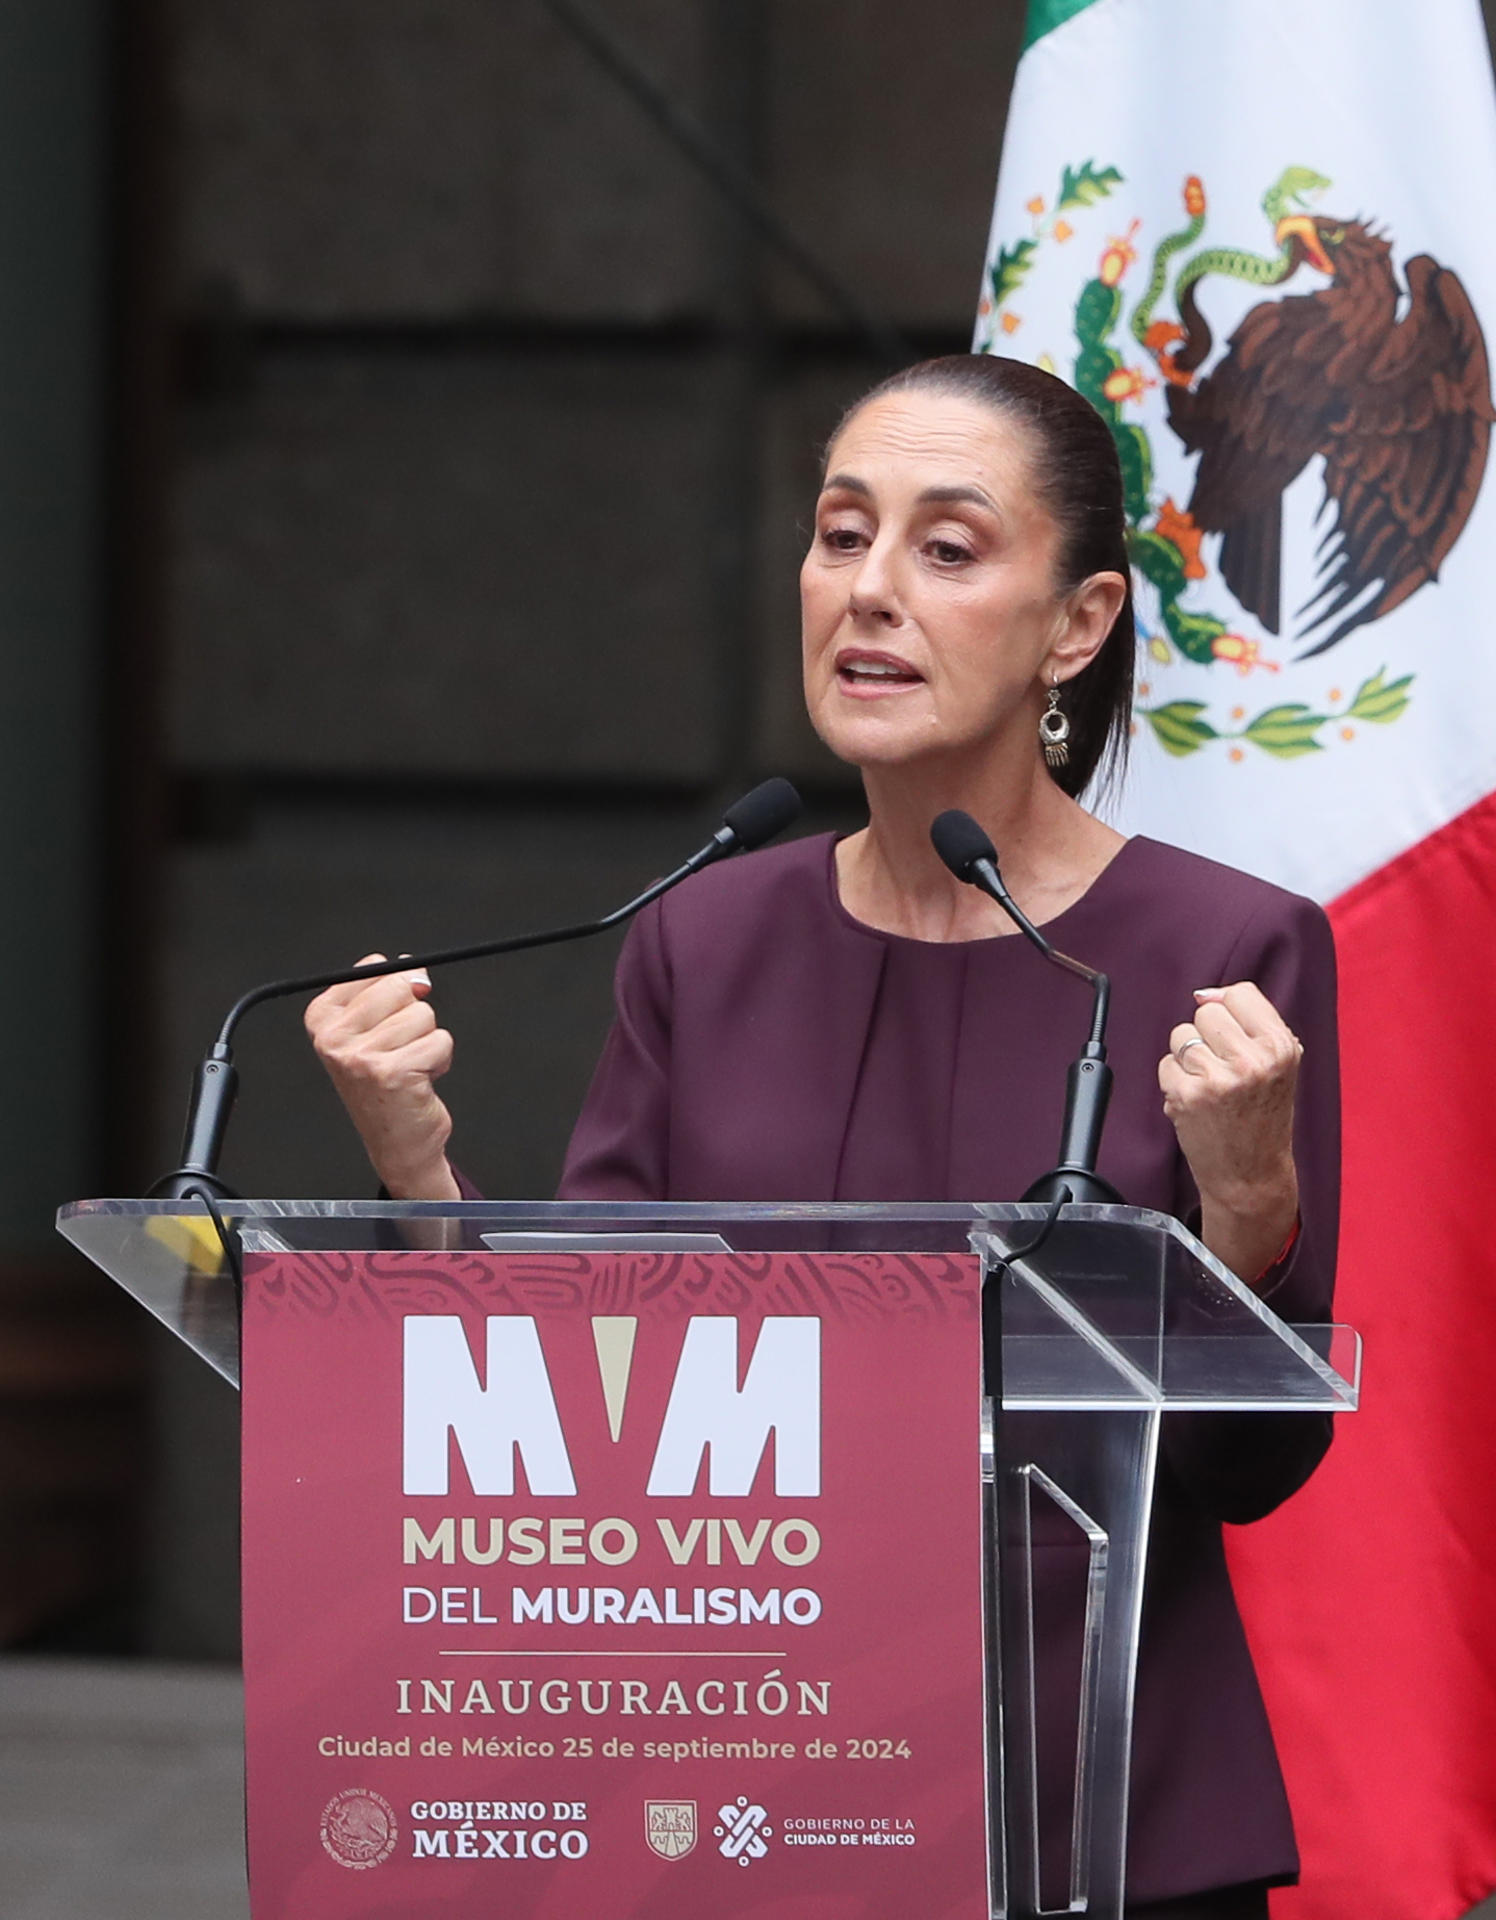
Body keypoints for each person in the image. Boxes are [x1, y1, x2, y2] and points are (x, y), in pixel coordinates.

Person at [306, 354, 1339, 1917]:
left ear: (1077, 622)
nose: (867, 590)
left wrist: (1249, 1207)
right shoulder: (703, 936)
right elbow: (584, 1423)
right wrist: (413, 1175)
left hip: (1096, 1814)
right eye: (840, 534)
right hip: (739, 1802)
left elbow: (1248, 1470)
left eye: (945, 547)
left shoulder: (1223, 950)